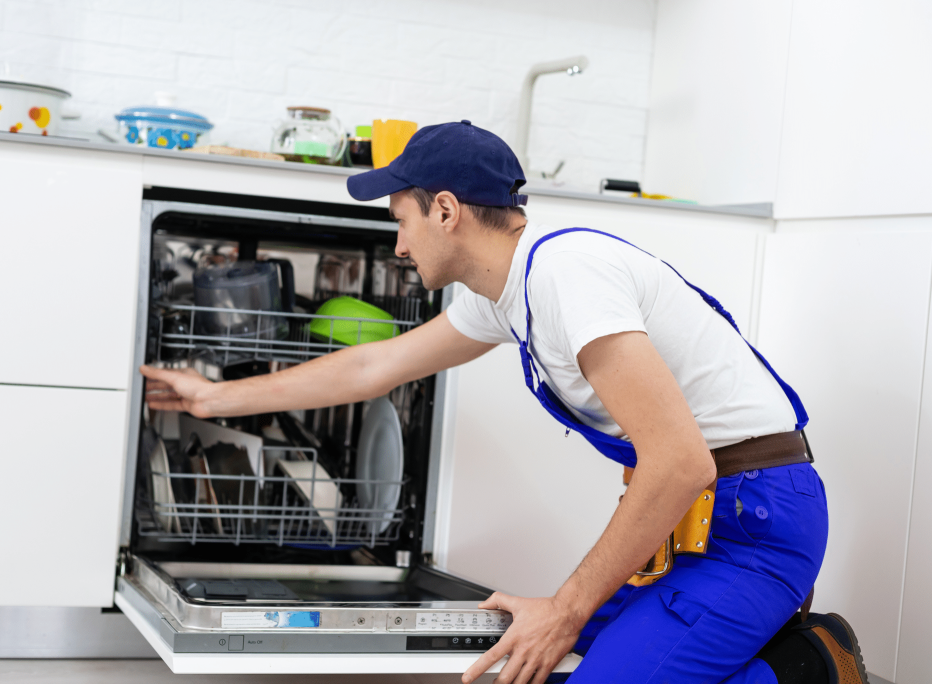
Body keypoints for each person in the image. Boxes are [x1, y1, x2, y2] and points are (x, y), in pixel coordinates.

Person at [141, 121, 869, 684]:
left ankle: (807, 664)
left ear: (447, 210)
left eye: (402, 218)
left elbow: (677, 461)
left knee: (567, 647)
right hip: (695, 525)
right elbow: (375, 366)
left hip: (755, 521)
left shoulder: (566, 272)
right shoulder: (509, 296)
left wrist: (565, 607)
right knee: (537, 664)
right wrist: (215, 396)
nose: (397, 245)